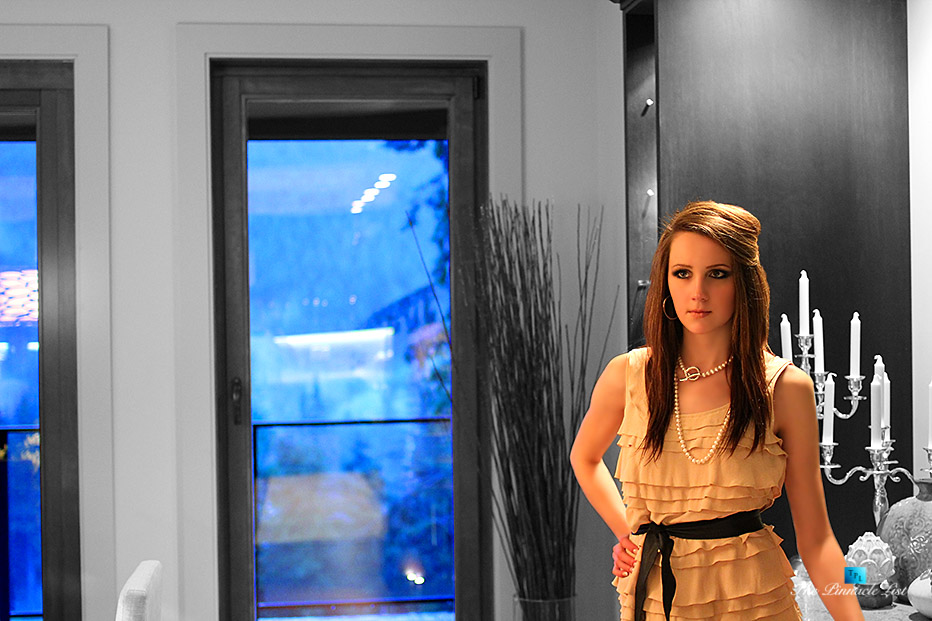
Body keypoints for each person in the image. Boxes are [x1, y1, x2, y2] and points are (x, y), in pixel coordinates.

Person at [571, 201, 864, 620]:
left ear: (744, 282)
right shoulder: (628, 375)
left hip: (756, 604)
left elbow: (818, 542)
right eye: (682, 273)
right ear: (666, 280)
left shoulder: (785, 388)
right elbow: (583, 457)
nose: (698, 292)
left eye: (718, 274)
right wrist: (629, 532)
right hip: (655, 599)